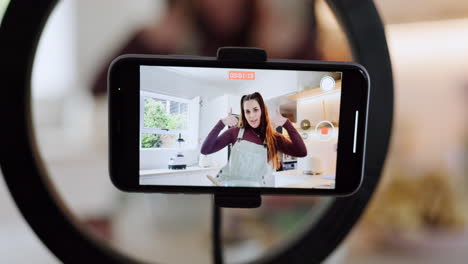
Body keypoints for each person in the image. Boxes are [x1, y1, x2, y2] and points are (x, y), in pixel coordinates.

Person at [201, 92, 307, 187]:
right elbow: (205, 150)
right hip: (228, 188)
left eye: (255, 110)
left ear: (262, 110)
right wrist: (221, 123)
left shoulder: (273, 138)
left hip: (255, 192)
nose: (251, 115)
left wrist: (287, 124)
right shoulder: (234, 132)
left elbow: (301, 152)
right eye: (247, 111)